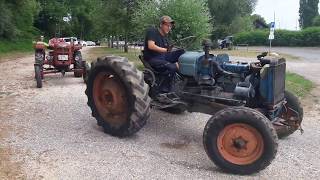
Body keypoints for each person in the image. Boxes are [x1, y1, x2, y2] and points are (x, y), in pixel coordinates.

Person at [143, 15, 185, 92]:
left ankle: (187, 80)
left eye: (170, 26)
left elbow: (169, 49)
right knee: (172, 67)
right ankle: (163, 89)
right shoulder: (152, 31)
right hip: (153, 59)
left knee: (182, 52)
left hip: (163, 57)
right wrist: (166, 50)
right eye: (167, 25)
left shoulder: (165, 37)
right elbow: (151, 46)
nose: (169, 28)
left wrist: (178, 50)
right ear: (161, 25)